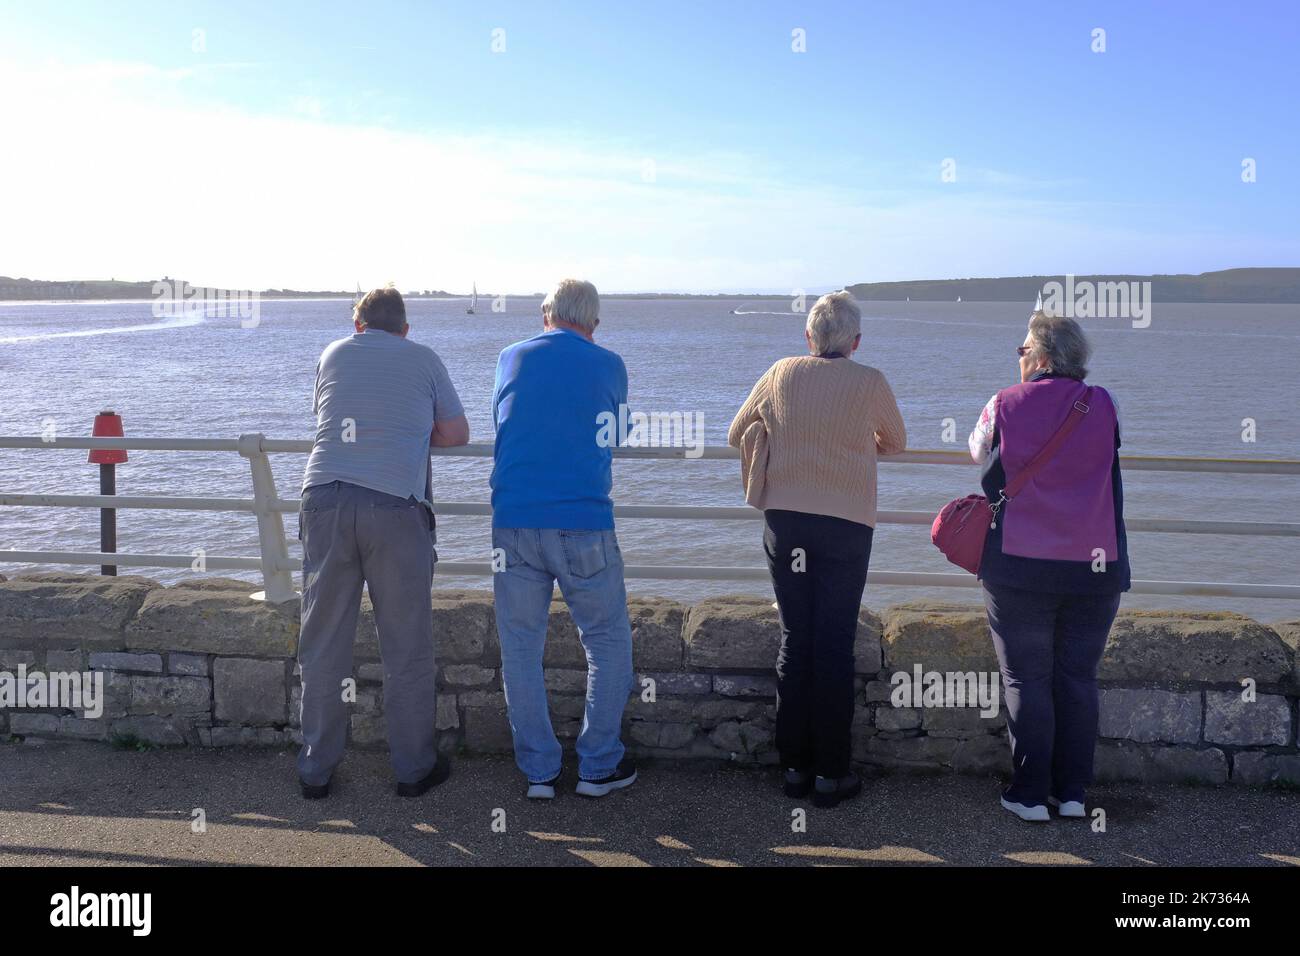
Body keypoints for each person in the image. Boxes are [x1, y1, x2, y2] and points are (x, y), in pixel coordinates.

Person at [728, 291, 906, 808]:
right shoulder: (869, 380)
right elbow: (893, 441)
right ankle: (832, 773)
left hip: (786, 522)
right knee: (833, 644)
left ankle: (793, 768)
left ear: (808, 337)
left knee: (795, 639)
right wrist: (848, 447)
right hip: (847, 524)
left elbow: (737, 430)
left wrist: (781, 436)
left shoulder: (781, 372)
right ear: (855, 341)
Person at [296, 287, 469, 799]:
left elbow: (325, 419)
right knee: (406, 645)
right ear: (405, 328)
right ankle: (413, 770)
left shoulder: (332, 354)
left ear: (358, 324)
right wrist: (415, 433)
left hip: (324, 498)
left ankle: (315, 771)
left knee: (323, 641)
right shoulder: (424, 358)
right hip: (394, 507)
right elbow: (457, 433)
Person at [968, 310, 1129, 822]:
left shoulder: (1003, 404)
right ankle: (1074, 794)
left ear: (1039, 357)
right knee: (1078, 678)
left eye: (1022, 350)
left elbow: (977, 454)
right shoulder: (1105, 403)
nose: (1018, 358)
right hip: (1095, 566)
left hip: (1020, 566)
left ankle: (1030, 794)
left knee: (1026, 679)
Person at [490, 278, 636, 800]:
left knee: (521, 648)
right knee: (606, 642)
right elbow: (616, 434)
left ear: (545, 314)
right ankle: (598, 766)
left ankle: (539, 772)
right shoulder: (608, 363)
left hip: (511, 520)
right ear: (593, 323)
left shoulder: (511, 357)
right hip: (583, 523)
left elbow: (502, 423)